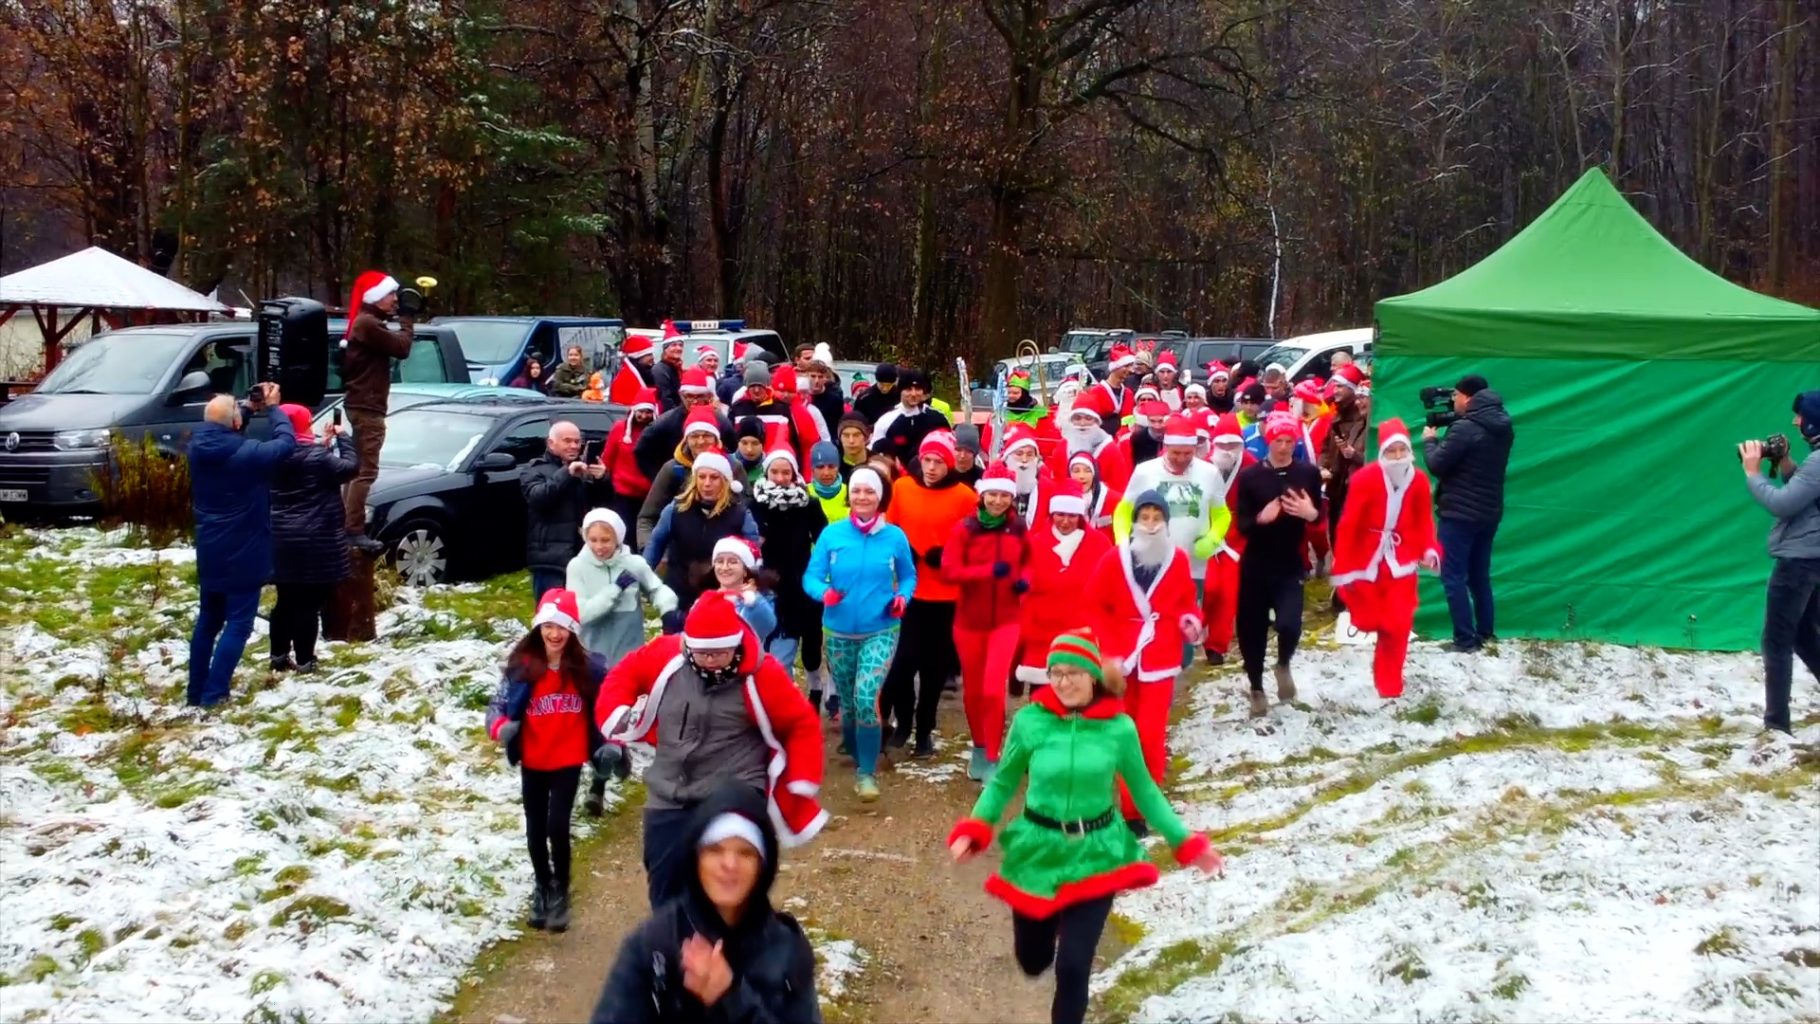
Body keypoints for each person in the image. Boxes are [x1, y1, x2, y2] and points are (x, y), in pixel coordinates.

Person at [947, 629, 1223, 1024]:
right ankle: (1049, 925)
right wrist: (975, 828)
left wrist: (1187, 844)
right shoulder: (1030, 722)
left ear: (1093, 675)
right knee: (1033, 959)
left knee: (1074, 967)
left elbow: (1144, 791)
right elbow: (1004, 782)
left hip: (1097, 851)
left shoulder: (1119, 728)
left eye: (1073, 672)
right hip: (1038, 851)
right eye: (1055, 673)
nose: (1063, 682)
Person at [594, 593, 827, 906]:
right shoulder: (665, 656)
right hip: (669, 789)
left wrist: (802, 776)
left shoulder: (762, 673)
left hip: (733, 791)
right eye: (703, 653)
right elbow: (625, 674)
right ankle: (671, 949)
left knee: (725, 890)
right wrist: (616, 712)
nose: (711, 660)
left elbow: (800, 722)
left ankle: (731, 947)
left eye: (720, 652)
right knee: (665, 888)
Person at [588, 782, 821, 1024]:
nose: (729, 864)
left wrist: (731, 999)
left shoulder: (786, 948)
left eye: (745, 852)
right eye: (715, 850)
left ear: (763, 866)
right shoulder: (654, 945)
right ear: (695, 858)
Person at [486, 589, 606, 932]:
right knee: (536, 829)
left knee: (557, 826)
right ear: (538, 627)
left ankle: (561, 889)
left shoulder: (588, 669)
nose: (555, 634)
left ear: (573, 631)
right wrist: (501, 728)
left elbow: (607, 709)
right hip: (534, 760)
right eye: (548, 626)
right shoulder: (523, 667)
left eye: (562, 627)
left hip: (568, 759)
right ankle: (542, 884)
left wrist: (610, 746)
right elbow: (497, 704)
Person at [1089, 489, 1202, 831]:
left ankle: (1141, 807)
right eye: (1145, 518)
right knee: (1126, 733)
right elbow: (1095, 604)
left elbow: (1186, 600)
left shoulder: (1178, 560)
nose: (1151, 526)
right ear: (1135, 521)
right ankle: (1127, 803)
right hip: (1123, 656)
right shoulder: (1114, 559)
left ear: (1167, 523)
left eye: (1158, 519)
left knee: (1151, 734)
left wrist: (1189, 620)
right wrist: (1108, 651)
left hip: (1160, 654)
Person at [803, 466, 917, 800]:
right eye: (856, 492)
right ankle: (856, 750)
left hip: (881, 629)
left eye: (869, 492)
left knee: (867, 698)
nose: (862, 497)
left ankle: (866, 774)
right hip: (838, 631)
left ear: (880, 497)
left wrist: (902, 598)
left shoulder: (894, 537)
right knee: (850, 706)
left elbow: (909, 577)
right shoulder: (832, 535)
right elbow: (811, 577)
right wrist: (823, 593)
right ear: (849, 496)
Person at [187, 387, 297, 707]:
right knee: (238, 624)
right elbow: (286, 444)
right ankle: (214, 693)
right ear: (234, 422)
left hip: (210, 548)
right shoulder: (247, 453)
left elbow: (223, 426)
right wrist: (274, 410)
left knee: (208, 620)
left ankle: (195, 692)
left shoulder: (197, 447)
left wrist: (247, 407)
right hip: (244, 550)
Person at [882, 431, 977, 757]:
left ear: (949, 464)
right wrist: (900, 548)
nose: (932, 467)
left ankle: (924, 731)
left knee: (935, 669)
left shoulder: (965, 496)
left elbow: (975, 541)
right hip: (908, 592)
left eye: (939, 462)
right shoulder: (902, 487)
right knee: (903, 664)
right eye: (927, 460)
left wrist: (950, 554)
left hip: (946, 595)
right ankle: (903, 723)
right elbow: (888, 528)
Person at [1331, 420, 1441, 699]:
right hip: (1367, 557)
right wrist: (1343, 565)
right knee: (1368, 620)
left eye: (1401, 451)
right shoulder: (1364, 479)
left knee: (1399, 624)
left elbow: (1423, 520)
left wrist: (1429, 549)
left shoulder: (1418, 480)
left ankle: (1390, 684)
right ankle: (1367, 619)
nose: (1397, 457)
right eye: (1391, 452)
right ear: (1382, 452)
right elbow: (1349, 524)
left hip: (1401, 559)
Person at [1113, 415, 1225, 667]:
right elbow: (1123, 510)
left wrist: (1213, 538)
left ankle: (1175, 667)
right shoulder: (1145, 471)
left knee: (1184, 625)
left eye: (1188, 453)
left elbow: (1222, 513)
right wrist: (1123, 542)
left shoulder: (1209, 472)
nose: (1182, 459)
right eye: (1176, 453)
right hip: (1150, 561)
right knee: (1153, 620)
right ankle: (1151, 672)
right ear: (1165, 447)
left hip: (1192, 565)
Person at [941, 462, 1029, 782]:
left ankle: (993, 754)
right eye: (991, 495)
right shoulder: (965, 529)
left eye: (1003, 496)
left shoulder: (1018, 527)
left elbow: (1030, 560)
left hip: (1006, 619)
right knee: (974, 692)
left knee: (994, 690)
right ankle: (979, 748)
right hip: (969, 621)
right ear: (982, 496)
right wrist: (986, 573)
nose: (997, 501)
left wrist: (1023, 579)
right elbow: (949, 570)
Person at [1233, 412, 1324, 716]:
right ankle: (1257, 687)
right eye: (1278, 440)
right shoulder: (1250, 476)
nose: (1284, 447)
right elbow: (1242, 523)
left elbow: (1321, 517)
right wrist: (1261, 518)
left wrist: (1310, 513)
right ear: (1268, 439)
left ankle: (1283, 663)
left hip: (1289, 562)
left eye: (1289, 441)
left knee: (1290, 623)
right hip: (1256, 564)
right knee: (1252, 630)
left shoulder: (1307, 473)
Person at [1740, 390, 1820, 735]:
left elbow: (1783, 504)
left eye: (1801, 415)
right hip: (1814, 559)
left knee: (1776, 641)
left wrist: (1753, 472)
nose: (1795, 422)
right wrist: (1786, 463)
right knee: (1804, 636)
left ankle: (1776, 726)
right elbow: (1808, 493)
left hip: (1798, 563)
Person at [1421, 374, 1515, 652]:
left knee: (1452, 576)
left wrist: (1429, 440)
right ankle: (1485, 633)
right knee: (1479, 575)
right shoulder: (1503, 425)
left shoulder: (1465, 429)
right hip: (1488, 512)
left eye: (1457, 396)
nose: (1454, 400)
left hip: (1459, 513)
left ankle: (1464, 639)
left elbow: (1437, 464)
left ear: (1469, 398)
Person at [269, 403, 357, 673]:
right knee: (308, 603)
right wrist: (343, 437)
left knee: (285, 600)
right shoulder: (318, 458)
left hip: (280, 538)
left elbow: (305, 461)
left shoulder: (271, 454)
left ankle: (278, 657)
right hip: (315, 540)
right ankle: (306, 660)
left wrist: (323, 444)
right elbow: (350, 467)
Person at [645, 445, 761, 627]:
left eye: (714, 478)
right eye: (702, 477)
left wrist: (752, 583)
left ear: (725, 481)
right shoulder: (675, 509)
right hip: (678, 595)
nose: (707, 483)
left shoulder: (739, 514)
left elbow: (753, 554)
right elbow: (655, 545)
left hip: (721, 597)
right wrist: (643, 578)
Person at [341, 270, 413, 554]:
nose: (395, 299)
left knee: (356, 469)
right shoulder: (368, 324)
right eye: (391, 294)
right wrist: (407, 320)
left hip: (360, 403)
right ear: (375, 296)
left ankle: (348, 524)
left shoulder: (367, 321)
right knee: (365, 470)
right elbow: (402, 347)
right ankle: (353, 530)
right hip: (367, 406)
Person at [567, 506, 677, 685]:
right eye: (593, 540)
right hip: (591, 658)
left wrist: (668, 609)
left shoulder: (633, 564)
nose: (599, 547)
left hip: (629, 655)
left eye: (606, 540)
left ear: (618, 539)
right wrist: (615, 589)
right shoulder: (577, 567)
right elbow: (581, 613)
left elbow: (657, 589)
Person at [749, 448, 828, 695]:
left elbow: (824, 539)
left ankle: (815, 681)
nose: (781, 478)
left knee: (812, 643)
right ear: (766, 472)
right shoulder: (755, 504)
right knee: (777, 643)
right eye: (775, 472)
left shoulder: (809, 504)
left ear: (794, 474)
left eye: (786, 472)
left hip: (803, 580)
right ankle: (781, 691)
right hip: (769, 584)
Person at [1015, 493, 1112, 693]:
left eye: (1072, 516)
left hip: (1083, 631)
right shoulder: (1035, 543)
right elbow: (1024, 583)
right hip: (1042, 631)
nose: (1065, 521)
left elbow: (1109, 586)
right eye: (1060, 515)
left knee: (1080, 692)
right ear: (1051, 514)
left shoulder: (1100, 544)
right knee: (1042, 695)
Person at [523, 421, 608, 602]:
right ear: (550, 443)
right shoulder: (535, 469)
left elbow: (604, 506)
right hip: (550, 559)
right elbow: (539, 499)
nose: (574, 446)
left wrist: (602, 480)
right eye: (567, 441)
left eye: (577, 442)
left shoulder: (582, 470)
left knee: (582, 614)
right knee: (551, 614)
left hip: (583, 555)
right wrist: (566, 473)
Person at [1200, 414, 1256, 666]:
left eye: (1232, 445)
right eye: (1222, 445)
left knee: (1228, 592)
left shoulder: (1252, 467)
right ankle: (1196, 627)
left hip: (1237, 537)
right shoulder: (1203, 466)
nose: (1226, 451)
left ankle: (1217, 646)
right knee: (1208, 587)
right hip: (1207, 532)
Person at [638, 407, 730, 548]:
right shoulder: (672, 469)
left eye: (706, 436)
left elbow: (744, 510)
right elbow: (647, 518)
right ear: (686, 439)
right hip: (678, 551)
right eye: (694, 436)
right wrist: (650, 551)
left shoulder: (732, 466)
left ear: (716, 438)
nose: (700, 442)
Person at [634, 369, 738, 480]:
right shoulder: (667, 421)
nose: (694, 401)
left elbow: (732, 449)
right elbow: (641, 450)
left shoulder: (720, 421)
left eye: (699, 396)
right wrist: (660, 477)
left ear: (708, 396)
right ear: (681, 395)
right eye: (689, 396)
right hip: (678, 483)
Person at [1320, 365, 1369, 593]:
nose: (1335, 390)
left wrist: (1352, 455)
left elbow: (1368, 455)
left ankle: (1348, 589)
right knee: (1336, 536)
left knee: (1348, 538)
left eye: (1340, 386)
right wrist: (1324, 467)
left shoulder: (1362, 420)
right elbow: (1326, 447)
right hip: (1336, 485)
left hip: (1352, 488)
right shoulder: (1337, 414)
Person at [601, 387, 657, 534]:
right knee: (625, 532)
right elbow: (608, 457)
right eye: (641, 411)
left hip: (649, 494)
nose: (644, 416)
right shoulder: (620, 429)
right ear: (634, 410)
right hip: (623, 493)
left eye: (648, 412)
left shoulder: (657, 432)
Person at [869, 368, 950, 469]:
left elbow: (949, 450)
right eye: (908, 389)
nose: (914, 394)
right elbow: (874, 453)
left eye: (918, 389)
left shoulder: (938, 418)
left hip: (931, 478)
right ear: (900, 391)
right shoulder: (886, 420)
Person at [708, 538, 778, 644]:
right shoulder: (706, 600)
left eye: (732, 562)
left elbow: (767, 625)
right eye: (720, 561)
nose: (725, 567)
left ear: (745, 570)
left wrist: (754, 602)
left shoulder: (755, 600)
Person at [808, 442, 849, 522]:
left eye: (831, 466)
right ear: (812, 469)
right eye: (820, 467)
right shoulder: (805, 494)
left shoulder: (850, 493)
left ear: (838, 467)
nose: (826, 473)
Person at [654, 327, 686, 411]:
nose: (678, 348)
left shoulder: (676, 368)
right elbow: (666, 398)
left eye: (680, 345)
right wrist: (677, 416)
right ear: (665, 349)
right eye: (674, 345)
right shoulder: (660, 370)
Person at [835, 412, 871, 480]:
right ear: (840, 438)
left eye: (856, 435)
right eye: (846, 435)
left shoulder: (877, 464)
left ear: (866, 437)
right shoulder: (833, 467)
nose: (851, 441)